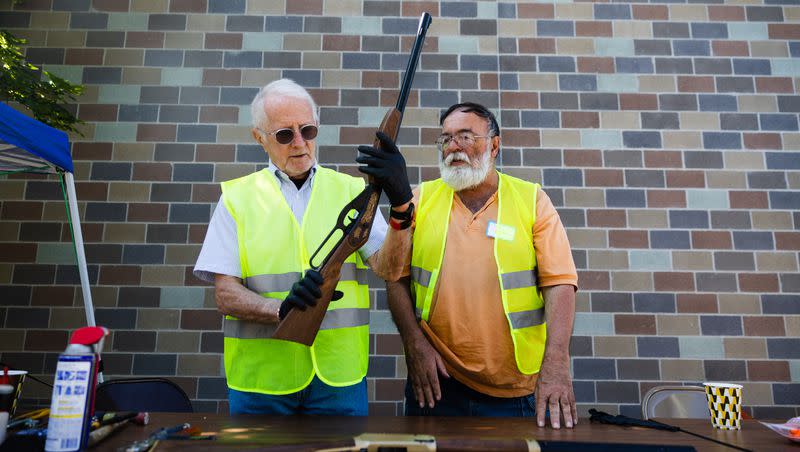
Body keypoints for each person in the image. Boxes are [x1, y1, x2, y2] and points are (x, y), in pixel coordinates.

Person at [194, 78, 413, 415]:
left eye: (307, 131)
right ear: (259, 138)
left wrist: (400, 205)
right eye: (284, 134)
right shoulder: (236, 198)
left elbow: (389, 268)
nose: (299, 143)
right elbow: (225, 295)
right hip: (262, 383)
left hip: (338, 378)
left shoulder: (351, 190)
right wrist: (280, 310)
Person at [386, 102, 578, 428]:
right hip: (436, 384)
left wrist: (557, 364)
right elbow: (394, 278)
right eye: (446, 139)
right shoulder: (419, 199)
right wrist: (414, 344)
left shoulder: (531, 200)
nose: (454, 147)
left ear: (494, 145)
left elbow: (560, 282)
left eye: (465, 136)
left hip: (516, 390)